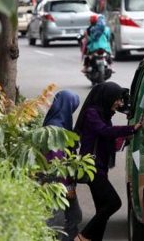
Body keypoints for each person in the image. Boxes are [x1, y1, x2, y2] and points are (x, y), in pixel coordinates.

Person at [73, 82, 142, 241]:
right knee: (113, 203)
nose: (119, 103)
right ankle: (83, 237)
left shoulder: (103, 114)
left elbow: (108, 141)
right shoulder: (92, 114)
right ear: (107, 98)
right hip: (91, 168)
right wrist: (131, 128)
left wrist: (130, 137)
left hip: (99, 168)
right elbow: (104, 132)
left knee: (102, 210)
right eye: (116, 99)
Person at [42, 90, 82, 241]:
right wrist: (66, 186)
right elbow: (55, 161)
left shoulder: (54, 122)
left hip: (55, 181)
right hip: (56, 183)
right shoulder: (56, 129)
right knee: (60, 219)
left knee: (72, 216)